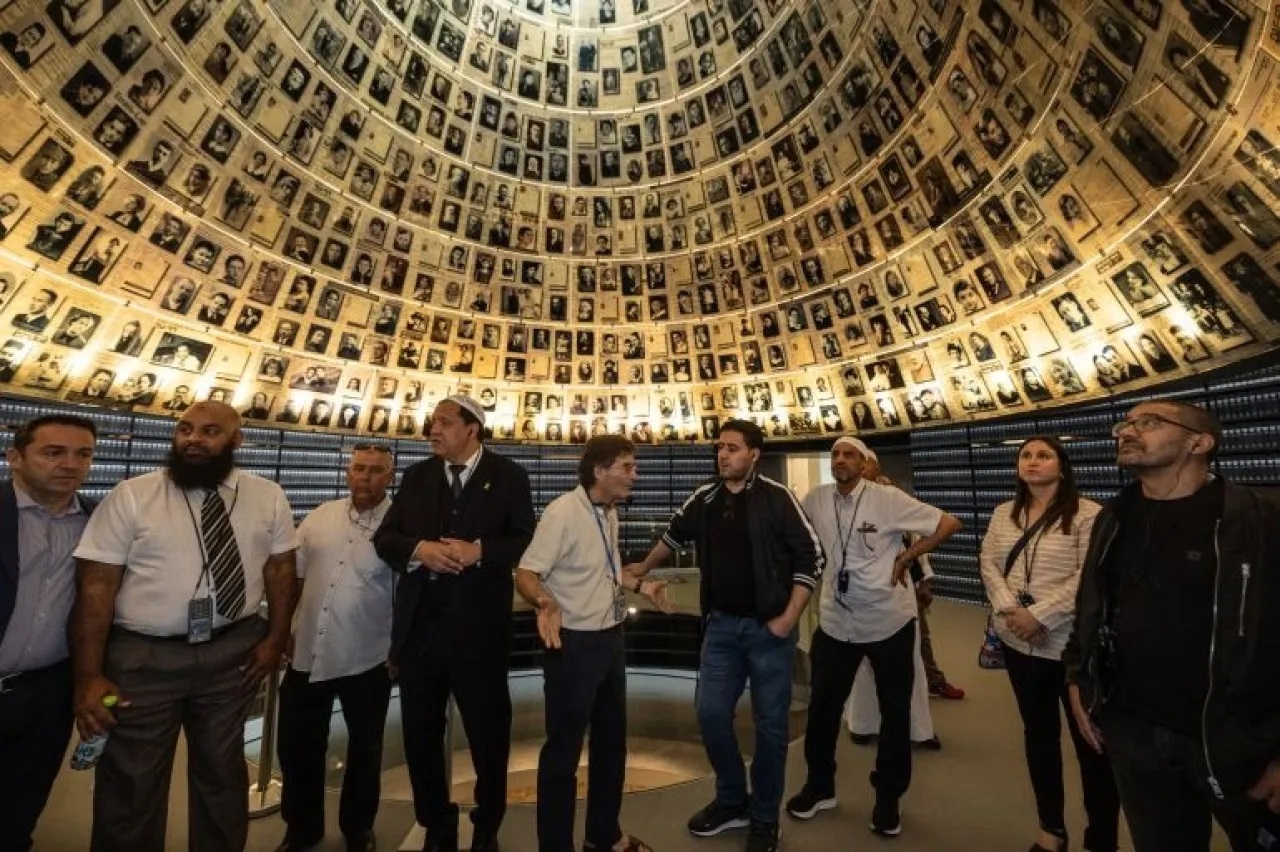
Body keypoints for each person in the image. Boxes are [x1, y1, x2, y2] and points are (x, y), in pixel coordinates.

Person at [70, 402, 299, 852]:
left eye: (210, 432)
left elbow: (281, 570)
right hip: (143, 659)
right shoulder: (132, 496)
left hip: (232, 656)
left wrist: (275, 637)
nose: (193, 439)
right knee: (132, 781)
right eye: (185, 429)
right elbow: (96, 587)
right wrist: (88, 676)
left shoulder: (267, 495)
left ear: (236, 440)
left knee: (222, 772)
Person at [1064, 400, 1280, 852]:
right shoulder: (1113, 517)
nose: (1126, 431)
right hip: (1135, 733)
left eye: (1149, 422)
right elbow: (1091, 607)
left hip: (1239, 737)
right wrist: (1078, 676)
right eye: (1125, 423)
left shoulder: (1259, 520)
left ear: (1199, 443)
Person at [625, 419, 824, 852]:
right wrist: (642, 567)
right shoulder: (706, 497)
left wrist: (789, 617)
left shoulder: (778, 498)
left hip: (769, 630)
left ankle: (765, 817)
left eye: (733, 448)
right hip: (720, 629)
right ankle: (733, 799)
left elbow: (812, 556)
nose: (723, 455)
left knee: (770, 727)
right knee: (711, 714)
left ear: (754, 454)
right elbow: (673, 535)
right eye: (720, 448)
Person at [373, 396, 535, 852]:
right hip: (421, 635)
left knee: (489, 737)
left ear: (472, 429)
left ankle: (487, 828)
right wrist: (420, 550)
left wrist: (479, 551)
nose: (433, 429)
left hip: (481, 636)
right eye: (432, 422)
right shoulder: (417, 476)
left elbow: (524, 537)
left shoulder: (510, 476)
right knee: (420, 737)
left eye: (444, 422)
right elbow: (385, 538)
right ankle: (437, 826)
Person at [786, 438, 961, 837]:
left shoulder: (887, 499)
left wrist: (907, 557)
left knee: (895, 713)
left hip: (888, 622)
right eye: (835, 454)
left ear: (864, 462)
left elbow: (949, 523)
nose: (840, 460)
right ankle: (819, 786)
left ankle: (888, 798)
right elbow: (790, 531)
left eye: (849, 454)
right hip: (836, 623)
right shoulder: (817, 498)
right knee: (822, 710)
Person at [515, 436, 670, 852]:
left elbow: (607, 570)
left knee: (611, 744)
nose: (635, 475)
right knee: (563, 754)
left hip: (610, 640)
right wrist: (544, 601)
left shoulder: (608, 512)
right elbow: (527, 573)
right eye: (627, 467)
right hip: (573, 647)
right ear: (600, 472)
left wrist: (642, 586)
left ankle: (603, 835)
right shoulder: (562, 513)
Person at [980, 437, 1120, 852]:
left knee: (1092, 745)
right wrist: (1012, 610)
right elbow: (989, 564)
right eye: (1026, 455)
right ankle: (1051, 830)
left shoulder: (1089, 514)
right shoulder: (1003, 513)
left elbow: (1089, 576)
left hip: (1071, 648)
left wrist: (1039, 615)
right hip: (1019, 645)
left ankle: (1101, 839)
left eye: (1043, 455)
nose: (1033, 462)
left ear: (1062, 465)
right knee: (1038, 736)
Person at [276, 446, 396, 852]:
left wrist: (400, 649)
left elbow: (408, 595)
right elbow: (293, 577)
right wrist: (281, 630)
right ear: (348, 472)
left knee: (366, 747)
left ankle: (358, 828)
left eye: (376, 471)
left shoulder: (401, 524)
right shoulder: (320, 517)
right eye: (359, 468)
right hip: (308, 649)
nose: (365, 477)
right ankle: (302, 828)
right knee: (298, 746)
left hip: (368, 655)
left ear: (390, 476)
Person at [0, 415, 98, 851]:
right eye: (53, 452)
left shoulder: (99, 522)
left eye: (83, 454)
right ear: (15, 457)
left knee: (21, 807)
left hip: (47, 694)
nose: (70, 464)